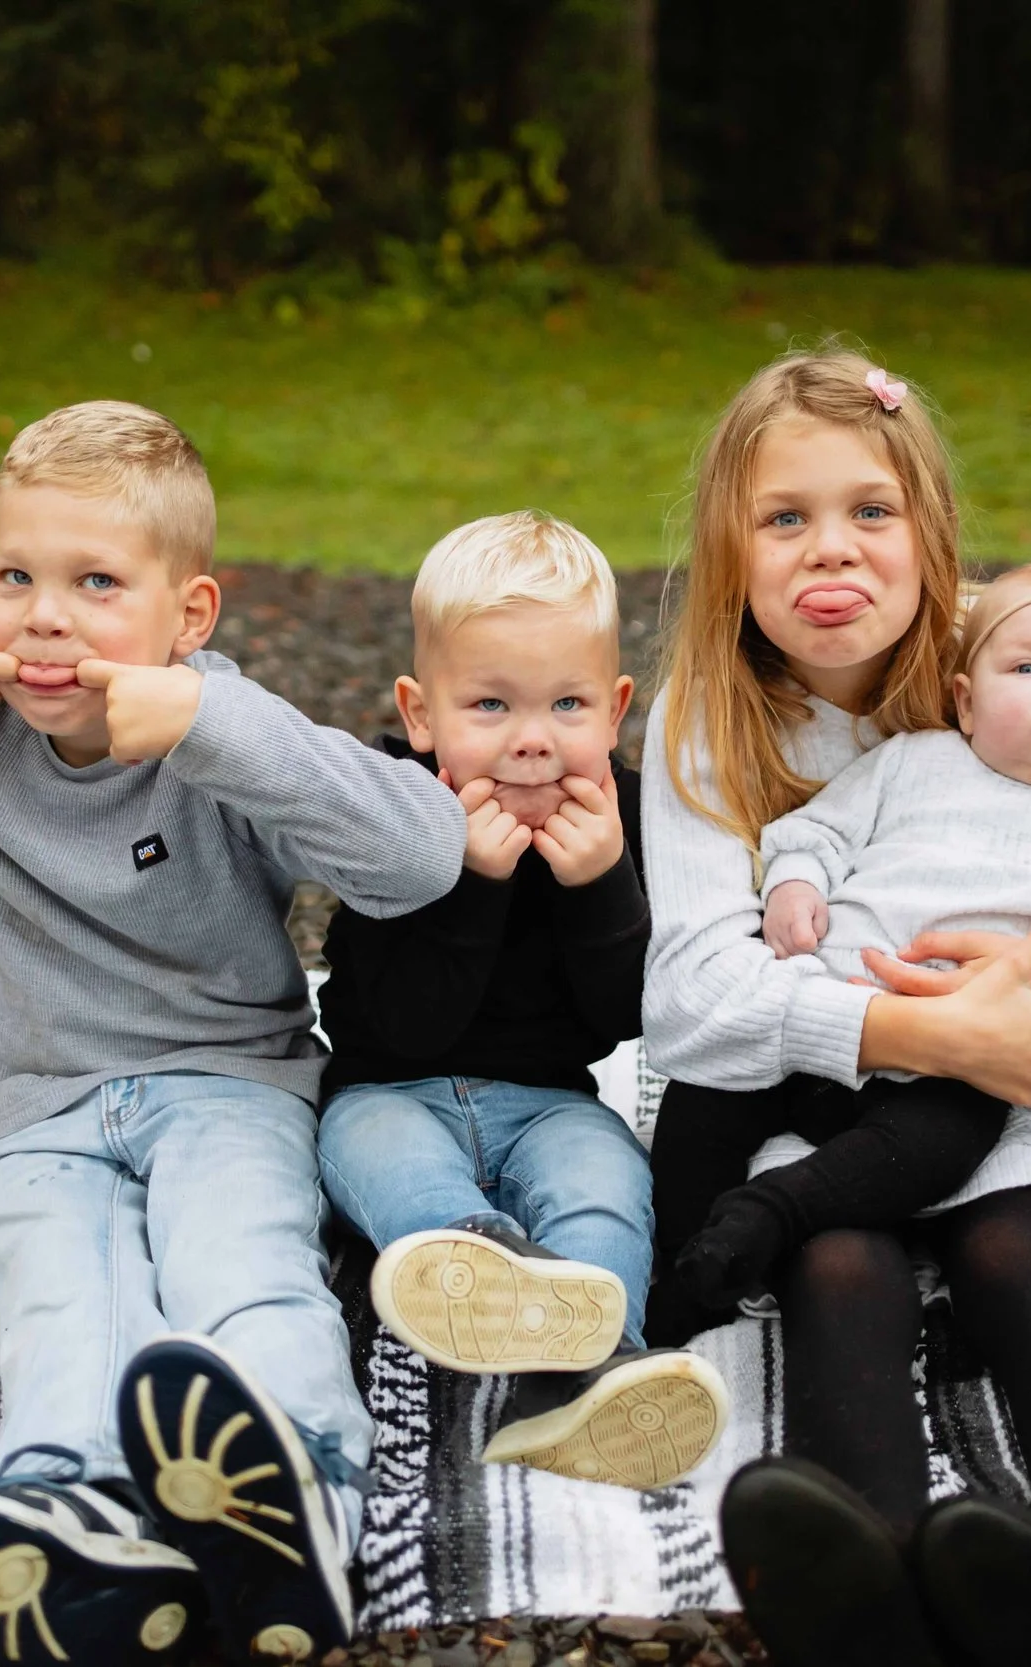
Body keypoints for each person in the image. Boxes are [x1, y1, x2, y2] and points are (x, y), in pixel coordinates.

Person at [0, 401, 467, 1667]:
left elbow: (421, 856)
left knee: (242, 1263)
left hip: (229, 1086)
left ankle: (302, 1502)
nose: (43, 614)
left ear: (190, 615)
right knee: (61, 1289)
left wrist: (214, 728)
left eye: (95, 581)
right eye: (17, 576)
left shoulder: (217, 729)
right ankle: (79, 1519)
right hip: (38, 1103)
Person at [641, 350, 1031, 1667]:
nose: (833, 548)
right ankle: (867, 1572)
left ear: (929, 532)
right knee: (840, 1257)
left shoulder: (1003, 663)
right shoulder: (708, 724)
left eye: (869, 512)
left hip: (1014, 1073)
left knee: (1017, 1250)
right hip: (825, 1086)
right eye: (786, 518)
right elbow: (693, 1002)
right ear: (731, 550)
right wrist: (920, 1030)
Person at [671, 550, 1031, 1309]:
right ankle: (679, 1266)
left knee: (937, 1146)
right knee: (705, 1097)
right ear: (965, 702)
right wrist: (796, 881)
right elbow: (820, 829)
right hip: (827, 1014)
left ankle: (771, 1213)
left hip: (963, 1061)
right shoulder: (914, 761)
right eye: (1024, 668)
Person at [314, 510, 728, 1493]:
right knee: (374, 1152)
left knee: (608, 1177)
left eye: (567, 706)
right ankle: (479, 1249)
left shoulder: (623, 816)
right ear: (423, 715)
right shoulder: (396, 812)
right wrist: (468, 884)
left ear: (615, 707)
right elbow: (395, 1021)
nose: (533, 742)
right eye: (490, 706)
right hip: (391, 1086)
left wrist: (601, 888)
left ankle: (596, 1373)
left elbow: (630, 1019)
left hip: (550, 1097)